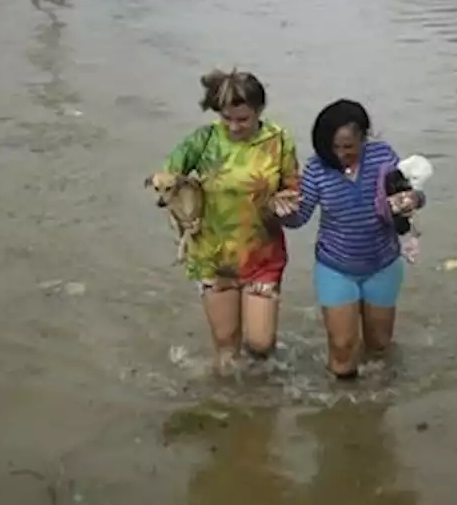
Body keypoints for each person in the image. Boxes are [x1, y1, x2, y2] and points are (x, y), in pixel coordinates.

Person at [154, 69, 300, 370]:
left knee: (260, 345)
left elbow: (294, 190)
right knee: (226, 348)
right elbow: (167, 176)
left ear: (259, 110)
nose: (234, 127)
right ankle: (228, 410)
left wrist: (283, 205)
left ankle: (264, 399)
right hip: (212, 254)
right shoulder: (203, 140)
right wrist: (177, 200)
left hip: (262, 253)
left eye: (243, 119)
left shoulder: (279, 140)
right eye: (227, 118)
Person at [283, 100, 424, 379]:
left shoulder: (383, 156)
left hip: (382, 263)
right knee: (342, 347)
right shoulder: (316, 169)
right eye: (333, 147)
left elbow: (411, 196)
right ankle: (342, 410)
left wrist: (414, 198)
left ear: (364, 137)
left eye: (348, 146)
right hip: (336, 267)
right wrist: (280, 211)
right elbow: (299, 219)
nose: (340, 154)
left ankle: (378, 406)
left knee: (380, 345)